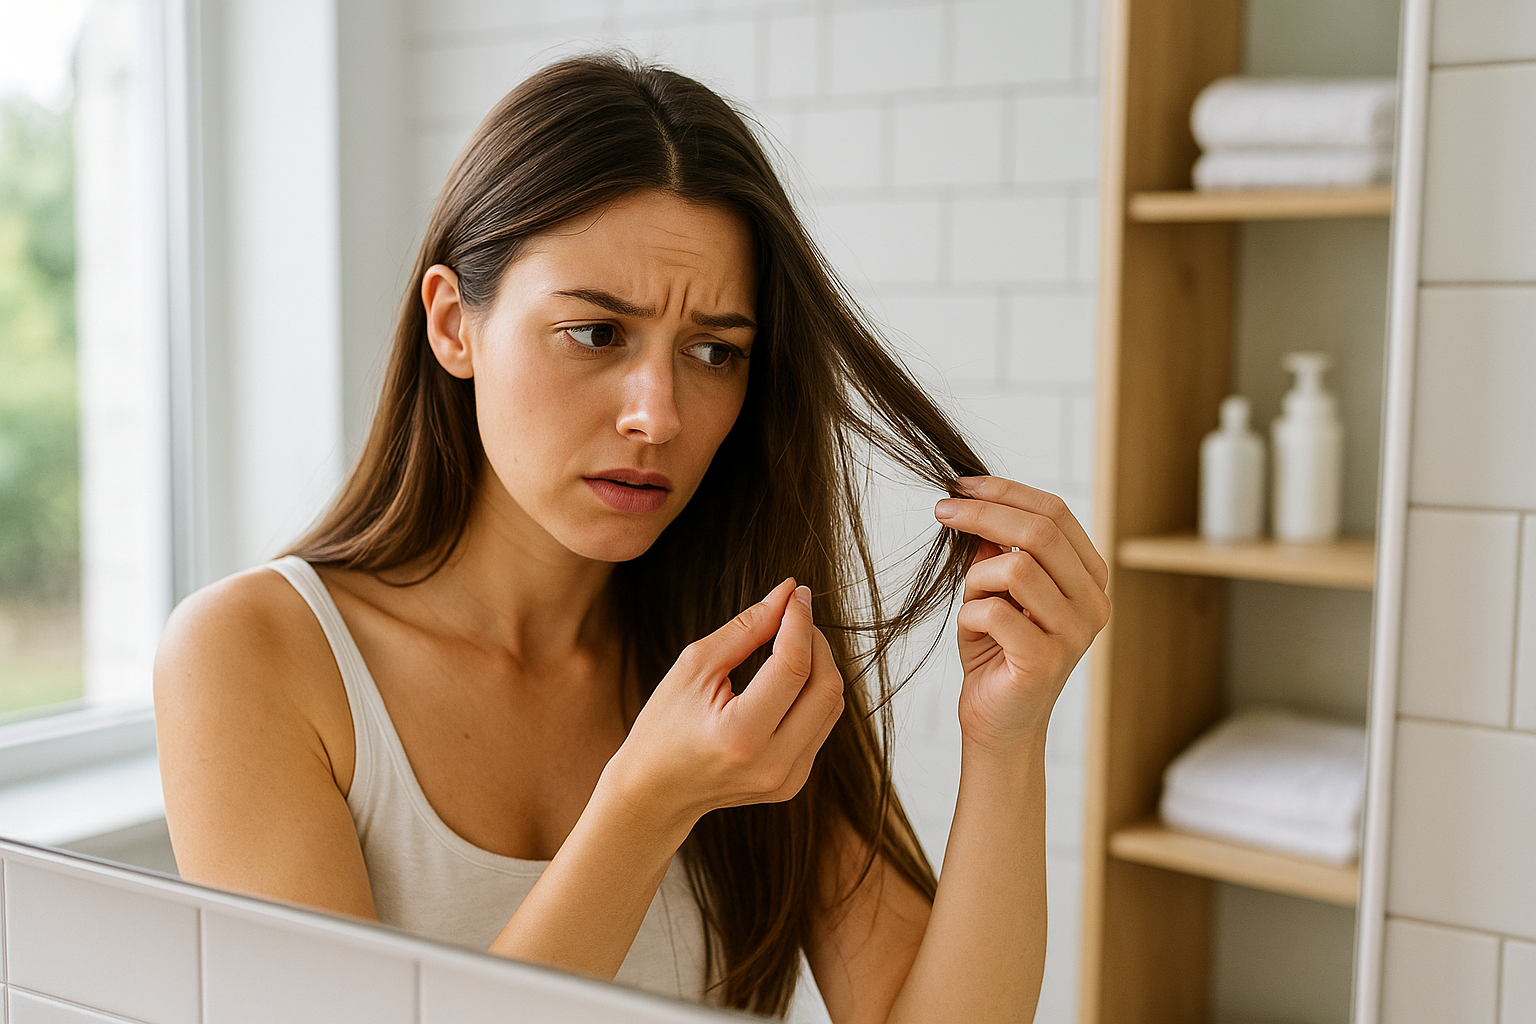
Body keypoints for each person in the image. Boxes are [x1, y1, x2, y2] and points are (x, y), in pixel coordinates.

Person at [154, 53, 1110, 1022]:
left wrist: (1007, 736)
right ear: (454, 324)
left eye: (714, 352)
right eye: (597, 334)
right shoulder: (252, 656)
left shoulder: (751, 655)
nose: (658, 414)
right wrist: (644, 807)